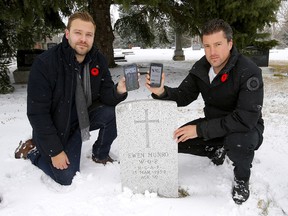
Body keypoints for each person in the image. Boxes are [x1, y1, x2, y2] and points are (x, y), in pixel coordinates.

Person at [145, 18, 264, 204]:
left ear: (230, 43)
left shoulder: (249, 71)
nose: (212, 52)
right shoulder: (202, 67)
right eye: (207, 46)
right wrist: (160, 91)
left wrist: (199, 130)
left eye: (218, 44)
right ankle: (217, 149)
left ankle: (241, 179)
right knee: (176, 139)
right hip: (214, 124)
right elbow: (184, 95)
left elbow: (244, 119)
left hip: (246, 129)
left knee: (238, 141)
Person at [15, 11, 128, 185]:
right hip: (56, 126)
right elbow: (37, 113)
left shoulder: (97, 59)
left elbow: (106, 95)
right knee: (66, 176)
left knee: (114, 113)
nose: (83, 39)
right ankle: (33, 151)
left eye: (88, 35)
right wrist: (55, 151)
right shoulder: (45, 64)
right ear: (67, 34)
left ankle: (100, 153)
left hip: (81, 120)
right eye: (78, 33)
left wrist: (118, 91)